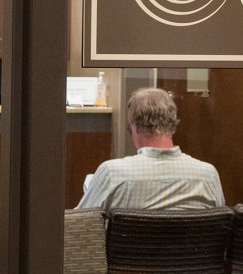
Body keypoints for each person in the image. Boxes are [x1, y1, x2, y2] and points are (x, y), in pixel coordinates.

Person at [76, 87, 225, 210]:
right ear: (173, 124)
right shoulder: (208, 176)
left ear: (135, 127)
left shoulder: (112, 174)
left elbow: (78, 228)